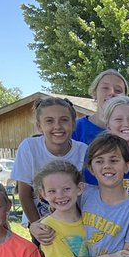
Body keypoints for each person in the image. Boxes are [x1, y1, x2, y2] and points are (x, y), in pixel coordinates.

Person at [12, 96, 88, 228]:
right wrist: (37, 225)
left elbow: (85, 193)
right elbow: (24, 193)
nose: (57, 126)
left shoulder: (83, 150)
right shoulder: (29, 147)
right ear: (39, 126)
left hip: (73, 222)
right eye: (49, 121)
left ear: (74, 124)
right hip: (38, 218)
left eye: (64, 120)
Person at [72, 69, 128, 143]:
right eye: (105, 88)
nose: (112, 93)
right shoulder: (75, 128)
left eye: (118, 90)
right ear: (95, 94)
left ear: (125, 98)